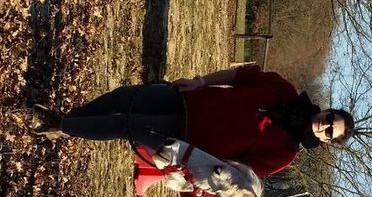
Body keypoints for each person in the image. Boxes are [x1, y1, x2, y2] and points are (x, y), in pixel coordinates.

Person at [33, 66, 355, 178]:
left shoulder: (283, 154)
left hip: (184, 138)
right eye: (330, 119)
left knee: (126, 125)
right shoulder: (283, 90)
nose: (325, 126)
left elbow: (234, 169)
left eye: (330, 132)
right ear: (327, 110)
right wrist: (199, 82)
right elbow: (237, 76)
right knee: (123, 96)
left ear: (326, 141)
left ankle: (59, 127)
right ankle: (69, 119)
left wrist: (186, 167)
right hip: (186, 99)